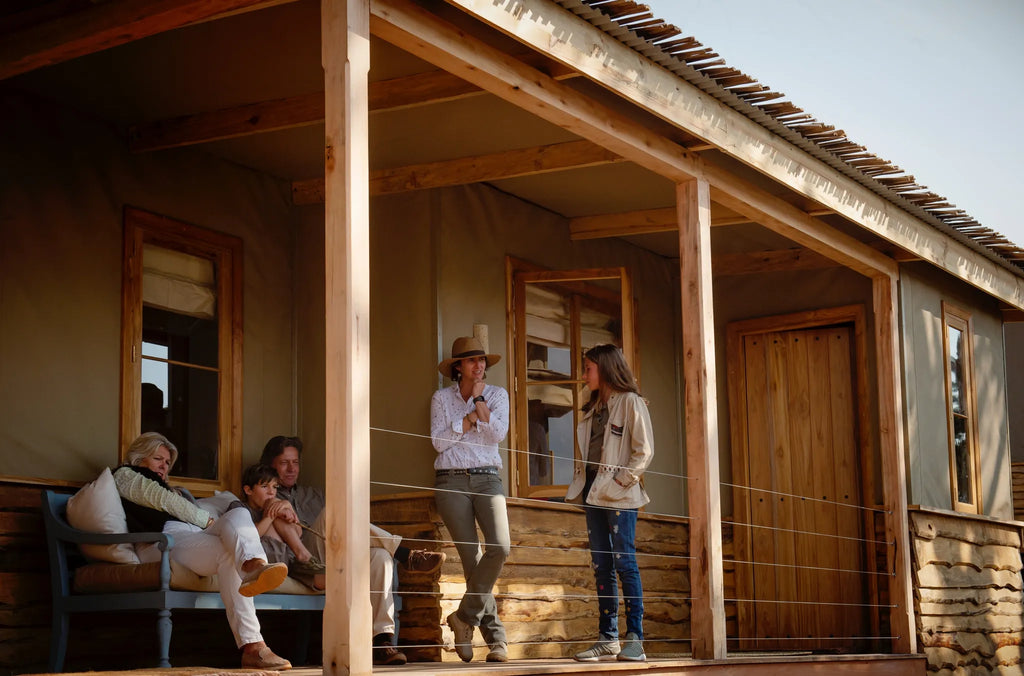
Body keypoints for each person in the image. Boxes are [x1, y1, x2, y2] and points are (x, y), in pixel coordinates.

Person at [259, 435, 446, 666]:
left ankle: (382, 641)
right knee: (332, 511)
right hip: (304, 561)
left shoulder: (314, 495)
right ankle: (405, 553)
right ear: (271, 465)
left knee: (380, 557)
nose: (291, 469)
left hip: (334, 556)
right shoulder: (266, 494)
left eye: (295, 462)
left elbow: (347, 524)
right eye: (284, 462)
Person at [113, 432, 292, 670]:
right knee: (228, 550)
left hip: (187, 535)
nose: (164, 466)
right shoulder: (126, 475)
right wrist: (207, 522)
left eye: (167, 463)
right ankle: (254, 646)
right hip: (159, 542)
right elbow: (167, 502)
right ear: (138, 458)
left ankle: (254, 568)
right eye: (158, 459)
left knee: (239, 516)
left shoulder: (165, 486)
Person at [565, 344, 654, 663]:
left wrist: (621, 482)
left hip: (619, 496)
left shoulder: (630, 402)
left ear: (603, 368)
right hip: (592, 493)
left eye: (588, 367)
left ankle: (636, 639)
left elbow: (643, 452)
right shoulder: (591, 408)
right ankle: (607, 638)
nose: (584, 373)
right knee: (601, 565)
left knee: (624, 562)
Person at [430, 336, 511, 663]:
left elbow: (497, 435)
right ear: (458, 367)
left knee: (500, 546)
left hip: (488, 478)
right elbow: (438, 442)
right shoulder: (440, 398)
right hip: (450, 481)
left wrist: (479, 403)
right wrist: (467, 421)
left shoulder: (496, 395)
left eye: (483, 361)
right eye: (472, 361)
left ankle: (463, 618)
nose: (480, 366)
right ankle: (497, 640)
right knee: (471, 560)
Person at [236, 464, 326, 590]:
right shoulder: (239, 507)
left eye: (274, 487)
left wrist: (287, 506)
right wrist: (272, 514)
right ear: (248, 490)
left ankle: (304, 559)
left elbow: (298, 533)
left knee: (331, 579)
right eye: (264, 486)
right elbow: (249, 536)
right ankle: (304, 556)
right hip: (266, 559)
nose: (271, 492)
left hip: (288, 559)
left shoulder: (278, 504)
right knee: (274, 504)